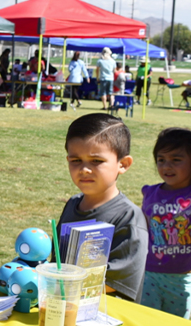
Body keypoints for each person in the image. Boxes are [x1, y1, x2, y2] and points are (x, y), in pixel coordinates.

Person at [57, 113, 148, 302]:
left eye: (96, 161)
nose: (84, 169)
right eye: (75, 160)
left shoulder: (128, 217)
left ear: (123, 164)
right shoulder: (73, 204)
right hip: (62, 309)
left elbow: (114, 283)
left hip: (106, 318)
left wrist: (57, 284)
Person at [140, 128, 191, 318]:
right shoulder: (150, 193)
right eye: (161, 160)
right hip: (149, 275)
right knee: (147, 323)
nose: (167, 166)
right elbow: (143, 229)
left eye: (176, 160)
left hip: (184, 279)